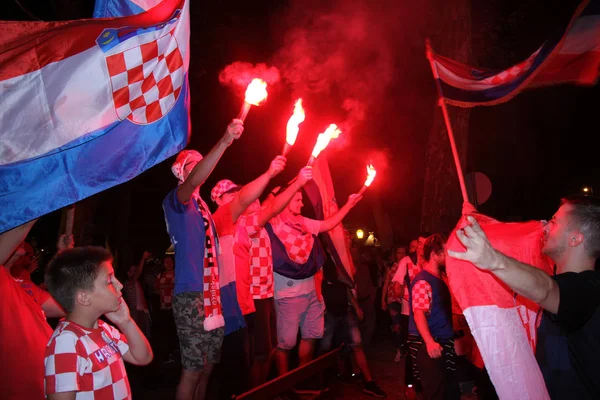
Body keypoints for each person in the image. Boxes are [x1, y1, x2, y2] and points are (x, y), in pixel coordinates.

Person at [448, 196, 600, 399]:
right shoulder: (557, 286)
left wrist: (493, 260)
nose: (544, 226)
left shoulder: (590, 289)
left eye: (554, 221)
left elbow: (546, 288)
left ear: (575, 238)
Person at [162, 119, 243, 400]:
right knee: (193, 370)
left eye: (201, 161)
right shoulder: (177, 200)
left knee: (208, 368)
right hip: (191, 294)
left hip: (212, 295)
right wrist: (224, 141)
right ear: (180, 173)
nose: (199, 166)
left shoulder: (203, 207)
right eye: (192, 163)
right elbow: (196, 180)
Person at [209, 156, 287, 398]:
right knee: (247, 358)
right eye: (229, 194)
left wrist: (286, 184)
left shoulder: (247, 220)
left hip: (263, 293)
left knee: (263, 353)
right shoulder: (227, 223)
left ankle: (254, 392)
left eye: (236, 192)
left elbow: (268, 206)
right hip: (245, 297)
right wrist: (271, 176)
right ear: (217, 200)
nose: (235, 196)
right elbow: (265, 208)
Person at [271, 189, 362, 384]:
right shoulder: (275, 221)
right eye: (297, 200)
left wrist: (349, 204)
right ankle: (283, 386)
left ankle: (302, 380)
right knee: (285, 345)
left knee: (311, 337)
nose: (301, 204)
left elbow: (329, 224)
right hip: (288, 294)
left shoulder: (305, 222)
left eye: (301, 200)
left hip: (311, 292)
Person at [43, 246, 153, 399]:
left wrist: (126, 322)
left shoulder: (104, 329)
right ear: (84, 298)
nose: (119, 285)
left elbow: (143, 357)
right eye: (109, 280)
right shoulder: (66, 342)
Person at [0, 221, 68, 400]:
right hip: (20, 390)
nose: (23, 240)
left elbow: (66, 307)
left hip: (49, 384)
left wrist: (64, 255)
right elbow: (21, 223)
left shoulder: (24, 284)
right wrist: (43, 197)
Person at [319, 261, 387, 398]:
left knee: (357, 343)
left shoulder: (340, 259)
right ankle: (322, 383)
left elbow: (346, 288)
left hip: (345, 309)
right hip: (328, 312)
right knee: (325, 347)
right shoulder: (321, 260)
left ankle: (368, 382)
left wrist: (356, 307)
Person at [408, 233, 460, 400]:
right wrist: (430, 342)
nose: (449, 256)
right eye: (445, 253)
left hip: (441, 342)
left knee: (449, 392)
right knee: (436, 394)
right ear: (434, 255)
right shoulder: (423, 281)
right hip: (431, 345)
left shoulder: (438, 279)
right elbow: (418, 313)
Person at [381, 244, 408, 362]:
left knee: (406, 327)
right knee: (396, 326)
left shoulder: (408, 265)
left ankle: (406, 348)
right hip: (393, 300)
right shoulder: (391, 267)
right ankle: (399, 349)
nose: (401, 255)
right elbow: (386, 283)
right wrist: (382, 299)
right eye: (399, 253)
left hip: (405, 300)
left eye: (403, 252)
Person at [123, 250, 152, 338]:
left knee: (144, 334)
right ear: (128, 273)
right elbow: (139, 272)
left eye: (136, 270)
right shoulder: (129, 282)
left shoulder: (137, 282)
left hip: (141, 311)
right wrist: (143, 258)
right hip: (135, 311)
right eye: (133, 271)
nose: (136, 272)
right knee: (138, 334)